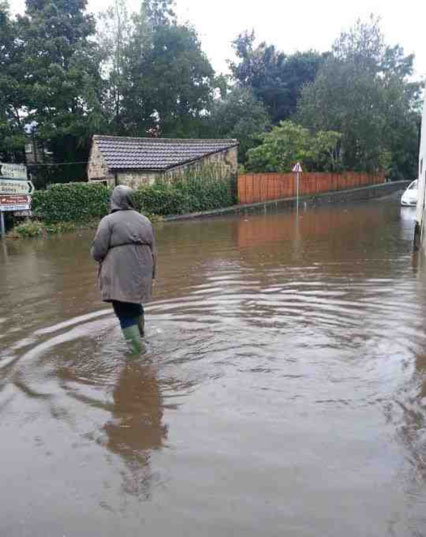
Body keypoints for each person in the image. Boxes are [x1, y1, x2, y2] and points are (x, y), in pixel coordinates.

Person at [91, 185, 156, 352]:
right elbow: (153, 250)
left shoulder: (108, 221)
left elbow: (98, 251)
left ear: (113, 201)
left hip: (119, 272)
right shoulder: (145, 220)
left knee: (123, 310)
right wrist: (152, 274)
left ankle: (136, 351)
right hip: (143, 270)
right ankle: (141, 339)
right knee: (135, 303)